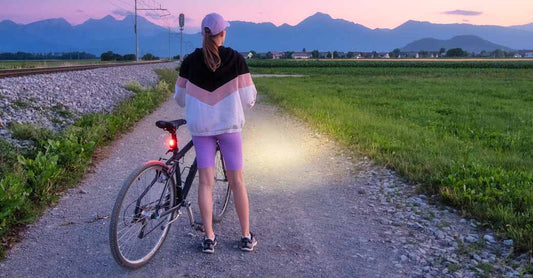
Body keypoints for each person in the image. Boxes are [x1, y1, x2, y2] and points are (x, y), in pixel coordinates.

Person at [173, 12, 258, 254]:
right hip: (229, 127)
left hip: (201, 129)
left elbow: (179, 99)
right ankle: (245, 236)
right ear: (222, 33)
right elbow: (249, 98)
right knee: (237, 181)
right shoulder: (235, 59)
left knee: (205, 184)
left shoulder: (189, 61)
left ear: (203, 34)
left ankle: (209, 238)